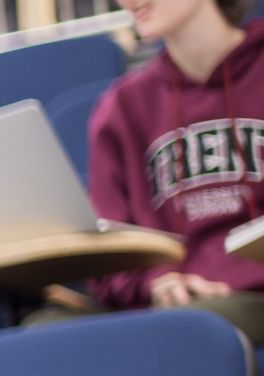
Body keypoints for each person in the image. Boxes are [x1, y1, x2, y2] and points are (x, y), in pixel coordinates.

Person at [85, 0, 264, 340]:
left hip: (251, 299)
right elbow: (108, 254)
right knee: (43, 328)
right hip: (173, 311)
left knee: (194, 330)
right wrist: (158, 283)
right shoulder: (121, 108)